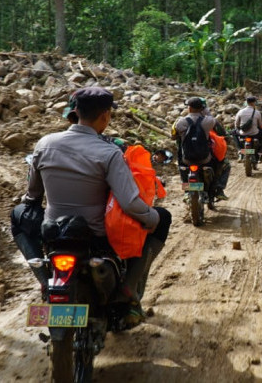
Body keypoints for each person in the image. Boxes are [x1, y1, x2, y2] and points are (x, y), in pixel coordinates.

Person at [21, 86, 172, 328]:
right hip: (97, 236)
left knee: (19, 214)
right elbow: (130, 203)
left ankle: (43, 279)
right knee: (161, 218)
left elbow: (33, 195)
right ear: (105, 116)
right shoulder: (109, 152)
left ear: (75, 111)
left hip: (51, 231)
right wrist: (152, 218)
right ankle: (128, 289)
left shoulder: (44, 143)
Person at [173, 97, 228, 200]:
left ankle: (186, 191)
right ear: (202, 108)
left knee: (181, 166)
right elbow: (217, 126)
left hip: (187, 159)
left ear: (189, 108)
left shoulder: (180, 122)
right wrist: (205, 111)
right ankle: (217, 189)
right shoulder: (208, 121)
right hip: (205, 158)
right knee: (224, 165)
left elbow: (173, 136)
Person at [234, 96, 262, 164]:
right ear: (254, 103)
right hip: (254, 134)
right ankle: (261, 153)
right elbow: (261, 125)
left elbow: (236, 124)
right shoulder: (257, 112)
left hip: (242, 134)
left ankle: (240, 150)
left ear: (247, 102)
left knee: (234, 133)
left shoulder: (240, 111)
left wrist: (239, 128)